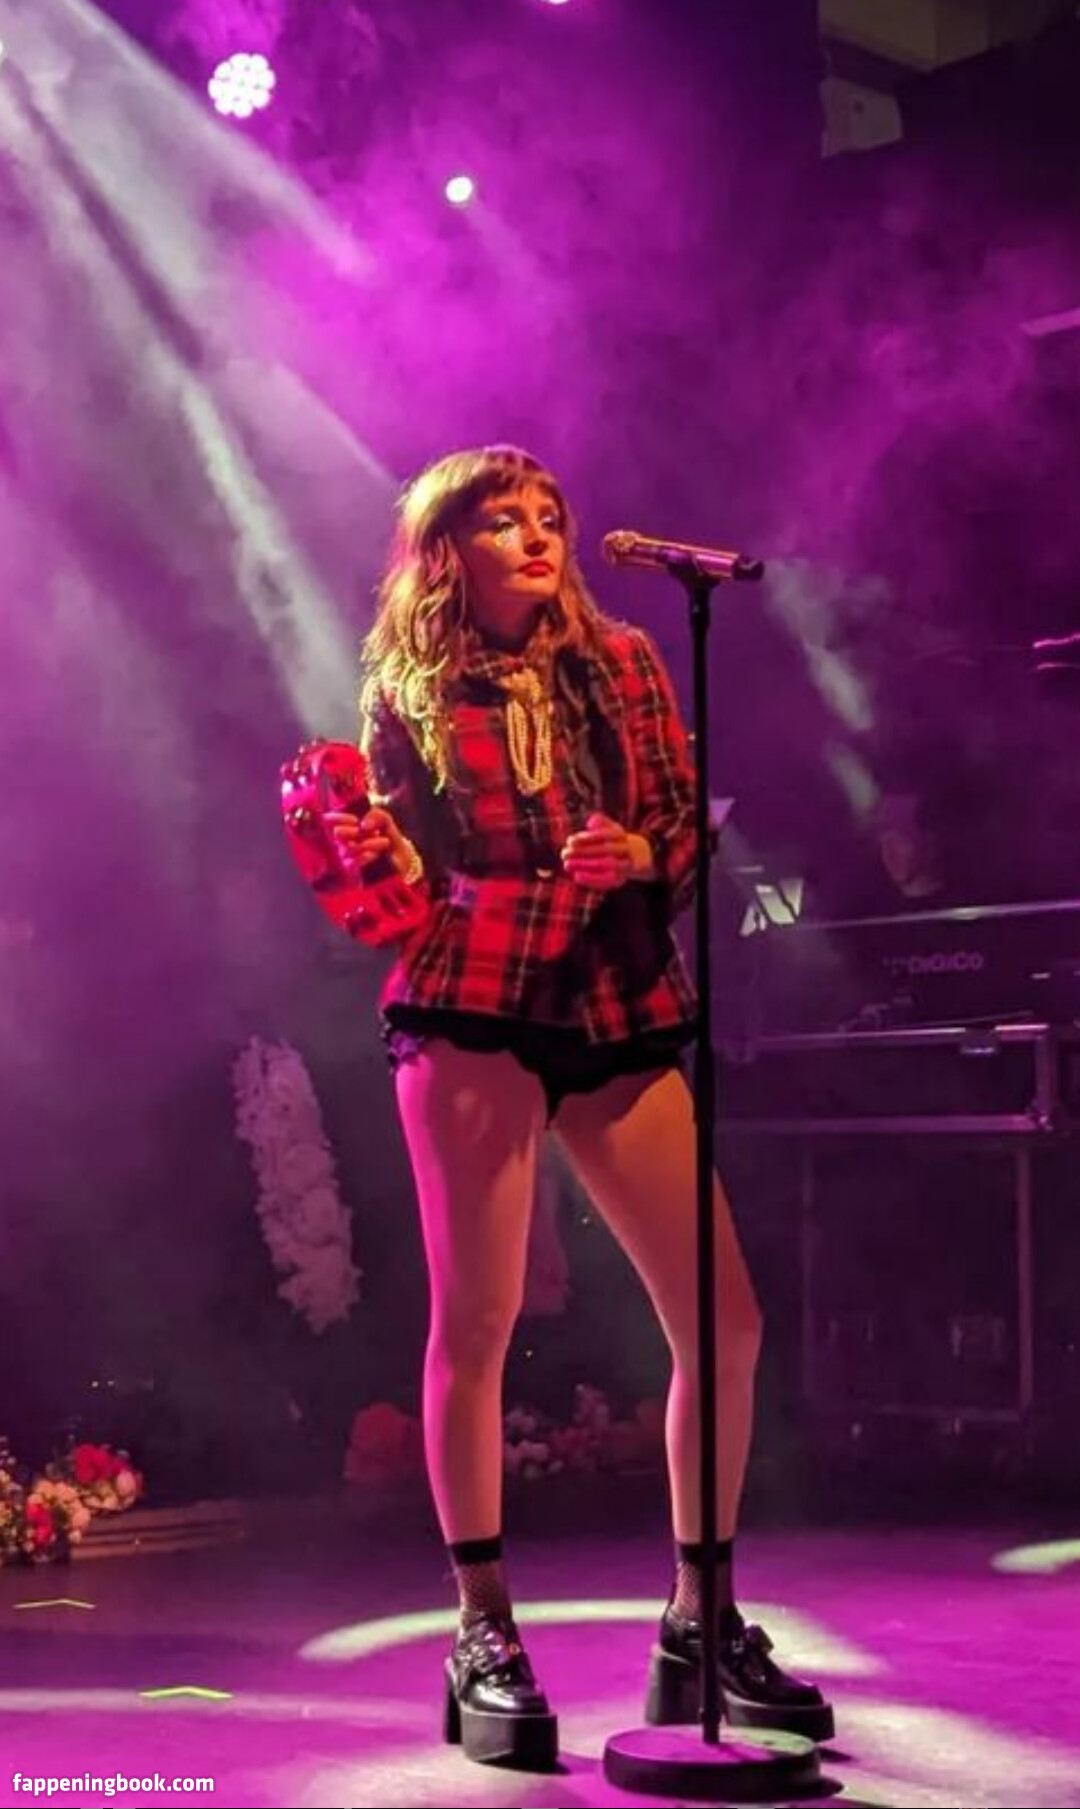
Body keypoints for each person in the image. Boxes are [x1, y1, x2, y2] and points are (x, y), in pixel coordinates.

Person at [327, 446, 831, 1769]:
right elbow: (402, 876)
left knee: (724, 1321)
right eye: (504, 518)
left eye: (549, 513)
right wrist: (375, 850)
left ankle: (699, 1620)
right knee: (477, 1324)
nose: (538, 534)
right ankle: (482, 1630)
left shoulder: (625, 661)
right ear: (450, 548)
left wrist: (643, 852)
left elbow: (682, 824)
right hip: (477, 995)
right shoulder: (409, 685)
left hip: (613, 998)